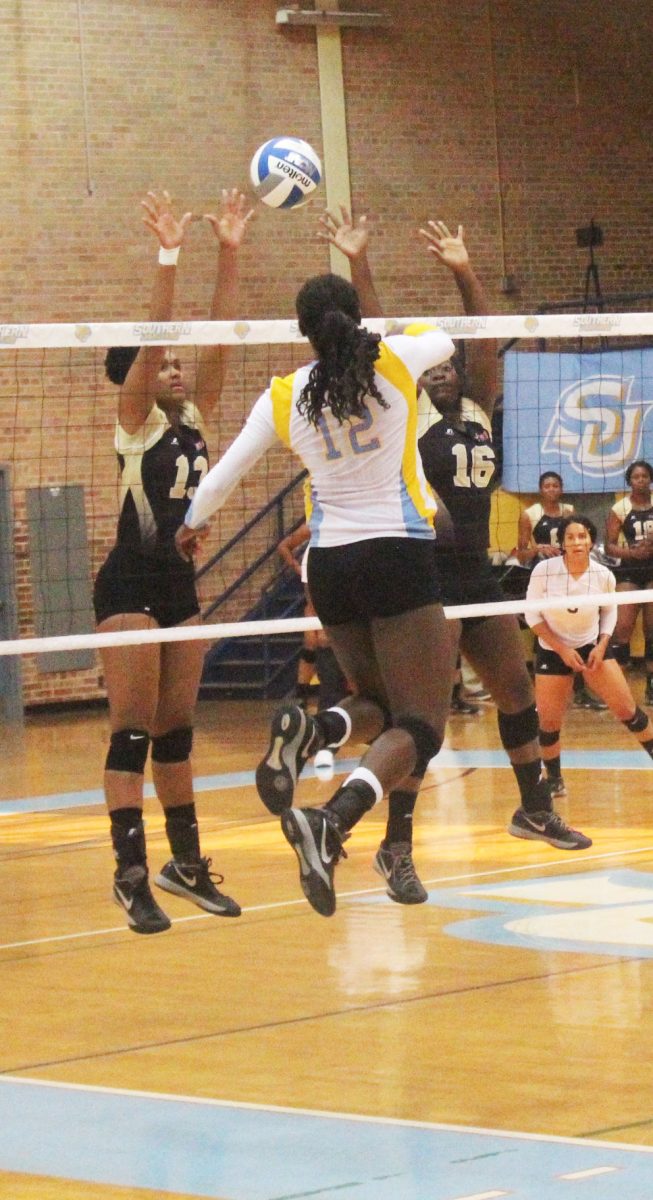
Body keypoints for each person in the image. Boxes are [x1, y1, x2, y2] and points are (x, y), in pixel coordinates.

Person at [176, 270, 457, 917]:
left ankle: (315, 729)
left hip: (327, 566)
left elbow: (218, 480)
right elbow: (440, 339)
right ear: (355, 318)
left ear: (302, 331)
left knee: (375, 706)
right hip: (396, 554)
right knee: (420, 725)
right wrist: (383, 324)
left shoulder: (284, 394)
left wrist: (189, 530)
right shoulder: (393, 359)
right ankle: (331, 820)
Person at [324, 211, 591, 871]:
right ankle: (397, 843)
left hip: (475, 570)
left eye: (448, 363)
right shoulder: (401, 412)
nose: (442, 371)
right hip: (424, 575)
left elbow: (483, 339)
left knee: (516, 692)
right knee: (426, 717)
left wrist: (463, 269)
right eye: (431, 366)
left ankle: (532, 808)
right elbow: (378, 339)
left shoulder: (477, 406)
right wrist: (358, 263)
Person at [95, 188, 252, 934]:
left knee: (177, 730)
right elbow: (157, 336)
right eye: (164, 365)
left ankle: (184, 863)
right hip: (127, 580)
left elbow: (216, 335)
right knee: (130, 728)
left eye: (179, 366)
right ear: (139, 375)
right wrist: (169, 253)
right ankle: (130, 876)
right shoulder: (134, 421)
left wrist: (229, 249)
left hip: (177, 583)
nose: (177, 369)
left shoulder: (192, 419)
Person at [524, 513, 653, 829]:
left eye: (582, 537)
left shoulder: (603, 574)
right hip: (554, 649)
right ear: (563, 543)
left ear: (591, 541)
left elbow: (609, 611)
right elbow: (532, 616)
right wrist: (562, 649)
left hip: (592, 646)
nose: (576, 542)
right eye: (570, 537)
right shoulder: (544, 571)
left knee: (628, 711)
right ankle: (554, 778)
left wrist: (601, 643)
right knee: (549, 721)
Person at [518, 472, 606, 712]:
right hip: (544, 578)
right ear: (540, 489)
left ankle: (580, 690)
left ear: (561, 488)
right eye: (546, 485)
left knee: (577, 629)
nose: (551, 489)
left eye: (556, 485)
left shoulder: (569, 511)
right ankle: (545, 694)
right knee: (546, 633)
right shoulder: (530, 514)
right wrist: (539, 549)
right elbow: (520, 553)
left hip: (572, 576)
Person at [277, 520, 350, 775]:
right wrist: (295, 567)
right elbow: (284, 547)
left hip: (343, 622)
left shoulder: (346, 539)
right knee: (316, 650)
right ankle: (307, 712)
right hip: (325, 621)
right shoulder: (316, 538)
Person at [605, 460, 653, 705]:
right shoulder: (620, 508)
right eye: (636, 477)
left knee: (652, 630)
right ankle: (619, 686)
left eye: (645, 476)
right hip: (630, 570)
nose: (641, 480)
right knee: (622, 628)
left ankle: (651, 685)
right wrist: (633, 553)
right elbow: (609, 546)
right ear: (630, 481)